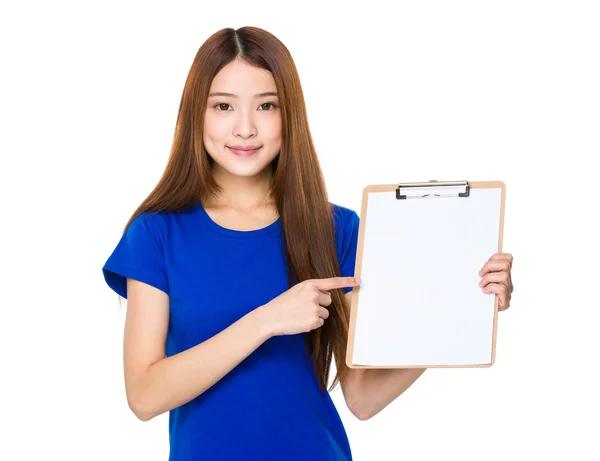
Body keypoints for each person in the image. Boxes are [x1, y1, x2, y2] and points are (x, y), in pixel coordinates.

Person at [102, 26, 515, 461]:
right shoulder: (156, 234)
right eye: (223, 106)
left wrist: (461, 304)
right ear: (196, 115)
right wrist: (266, 320)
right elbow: (145, 395)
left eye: (266, 106)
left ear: (289, 115)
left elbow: (362, 397)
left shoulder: (335, 227)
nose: (245, 128)